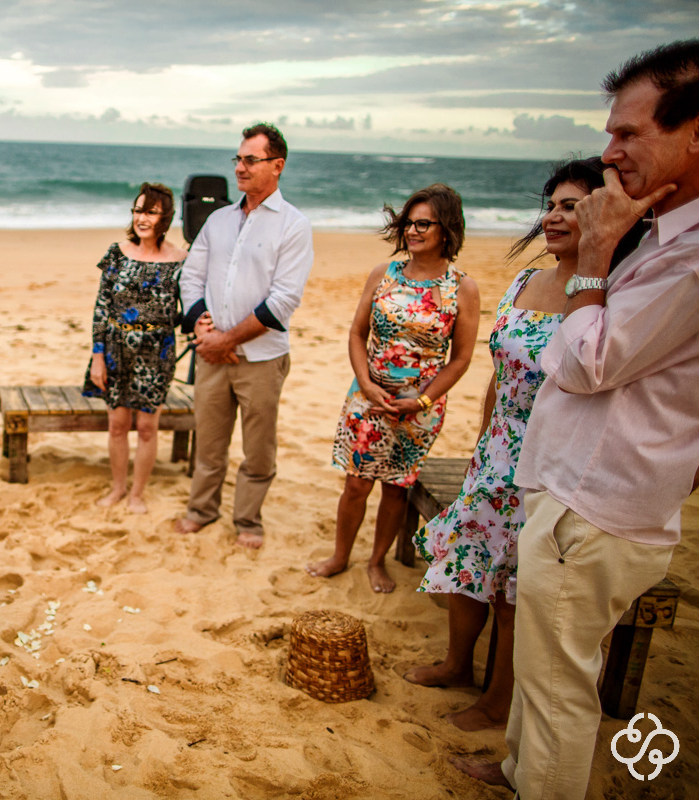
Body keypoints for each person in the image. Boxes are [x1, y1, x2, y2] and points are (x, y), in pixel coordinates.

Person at [452, 40, 699, 798]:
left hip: (594, 508)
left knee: (561, 688)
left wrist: (595, 251)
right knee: (542, 665)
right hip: (570, 495)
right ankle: (518, 769)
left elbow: (590, 360)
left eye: (629, 133)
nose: (610, 151)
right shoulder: (662, 240)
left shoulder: (688, 260)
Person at [405, 158, 642, 732]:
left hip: (551, 462)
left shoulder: (606, 294)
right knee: (467, 561)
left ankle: (496, 700)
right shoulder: (523, 282)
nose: (555, 217)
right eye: (552, 205)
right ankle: (458, 664)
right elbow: (498, 372)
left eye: (572, 206)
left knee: (516, 587)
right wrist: (483, 443)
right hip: (496, 453)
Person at [308, 184, 480, 592]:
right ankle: (339, 556)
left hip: (418, 409)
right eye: (408, 223)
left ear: (447, 229)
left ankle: (377, 562)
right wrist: (366, 385)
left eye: (424, 223)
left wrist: (419, 401)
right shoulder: (383, 275)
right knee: (355, 482)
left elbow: (461, 359)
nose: (413, 231)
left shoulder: (463, 288)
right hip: (367, 399)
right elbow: (356, 333)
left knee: (395, 488)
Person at [174, 123, 313, 549]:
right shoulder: (217, 220)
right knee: (209, 442)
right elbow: (191, 278)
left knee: (258, 449)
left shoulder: (293, 226)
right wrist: (203, 328)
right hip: (211, 353)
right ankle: (201, 509)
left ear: (277, 165)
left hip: (261, 358)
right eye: (238, 159)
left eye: (250, 160)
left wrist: (227, 340)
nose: (240, 167)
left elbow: (284, 300)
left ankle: (248, 520)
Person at [83, 182, 187, 513]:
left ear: (164, 217)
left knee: (146, 427)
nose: (142, 218)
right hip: (115, 350)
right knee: (117, 425)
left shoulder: (180, 260)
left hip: (157, 353)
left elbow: (192, 306)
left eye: (150, 212)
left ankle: (137, 493)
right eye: (138, 210)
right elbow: (101, 308)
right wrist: (97, 357)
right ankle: (117, 488)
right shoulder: (117, 253)